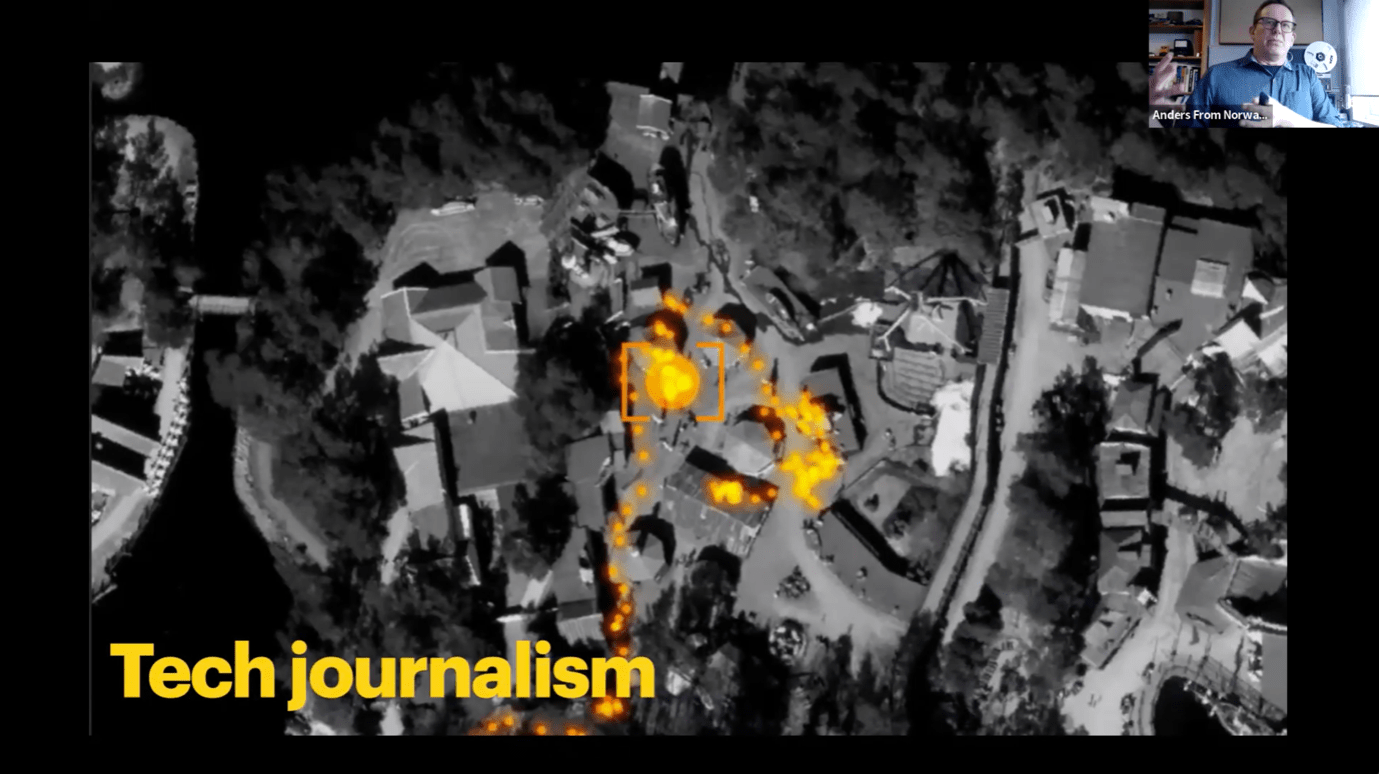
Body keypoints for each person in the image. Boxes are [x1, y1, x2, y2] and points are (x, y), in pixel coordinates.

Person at [1150, 1, 1344, 128]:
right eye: (1269, 22)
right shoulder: (1216, 76)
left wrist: (1291, 120)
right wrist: (1160, 111)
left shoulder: (1308, 76)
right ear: (1252, 31)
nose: (1278, 30)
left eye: (1285, 25)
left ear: (1292, 38)